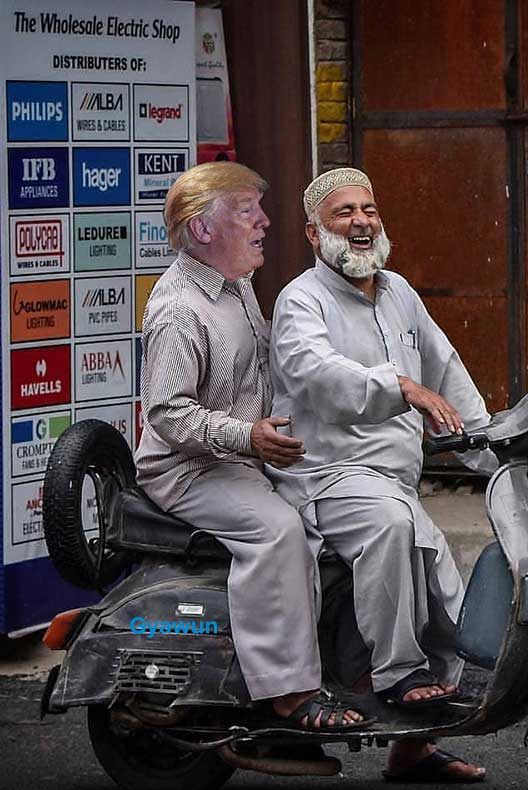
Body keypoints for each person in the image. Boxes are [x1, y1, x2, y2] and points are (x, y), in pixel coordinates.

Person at [267, 167, 494, 782]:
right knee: (394, 529)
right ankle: (396, 677)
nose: (362, 221)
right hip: (328, 474)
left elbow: (447, 373)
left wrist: (492, 451)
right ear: (315, 234)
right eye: (344, 212)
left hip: (390, 479)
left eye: (369, 209)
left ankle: (414, 748)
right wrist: (401, 388)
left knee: (444, 581)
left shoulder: (398, 292)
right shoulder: (300, 301)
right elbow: (317, 375)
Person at [135, 161, 368, 732]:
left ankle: (339, 668)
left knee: (330, 512)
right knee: (279, 530)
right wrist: (248, 437)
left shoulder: (236, 285)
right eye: (247, 211)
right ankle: (286, 695)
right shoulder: (178, 309)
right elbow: (166, 414)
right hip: (188, 470)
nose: (264, 221)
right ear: (203, 229)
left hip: (240, 457)